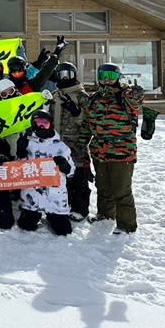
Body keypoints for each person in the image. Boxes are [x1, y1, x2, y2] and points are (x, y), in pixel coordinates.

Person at [83, 63, 145, 235]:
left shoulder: (124, 95)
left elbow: (136, 103)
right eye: (104, 76)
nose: (108, 80)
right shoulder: (94, 99)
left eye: (112, 76)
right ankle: (105, 216)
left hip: (121, 152)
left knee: (121, 190)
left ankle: (126, 225)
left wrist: (137, 94)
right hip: (99, 151)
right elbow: (87, 126)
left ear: (118, 77)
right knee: (103, 187)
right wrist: (82, 146)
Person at [15, 110, 76, 236]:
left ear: (51, 125)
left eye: (45, 124)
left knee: (63, 231)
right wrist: (21, 152)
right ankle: (32, 213)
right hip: (32, 196)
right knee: (26, 226)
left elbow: (71, 172)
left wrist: (65, 166)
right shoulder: (28, 143)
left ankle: (53, 215)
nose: (41, 127)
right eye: (38, 123)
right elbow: (18, 170)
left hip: (55, 197)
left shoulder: (61, 147)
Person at [49, 62, 93, 221]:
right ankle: (62, 205)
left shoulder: (82, 96)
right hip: (56, 143)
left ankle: (80, 209)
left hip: (76, 143)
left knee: (78, 178)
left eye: (68, 74)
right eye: (61, 74)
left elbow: (90, 122)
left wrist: (77, 112)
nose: (65, 78)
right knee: (60, 177)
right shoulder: (55, 95)